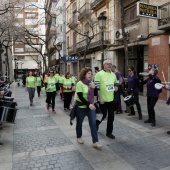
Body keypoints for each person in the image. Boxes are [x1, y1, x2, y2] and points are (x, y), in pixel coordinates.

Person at [75, 67, 102, 149]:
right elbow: (80, 97)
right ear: (84, 75)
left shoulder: (91, 83)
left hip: (90, 107)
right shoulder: (79, 83)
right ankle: (79, 137)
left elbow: (95, 95)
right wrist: (88, 104)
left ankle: (95, 142)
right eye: (88, 73)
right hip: (81, 107)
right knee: (79, 123)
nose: (90, 75)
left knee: (93, 124)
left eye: (91, 73)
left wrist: (95, 88)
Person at [94, 59, 118, 139]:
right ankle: (96, 124)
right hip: (102, 99)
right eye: (108, 64)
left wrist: (116, 86)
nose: (109, 65)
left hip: (111, 99)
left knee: (111, 116)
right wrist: (100, 98)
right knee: (102, 115)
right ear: (104, 65)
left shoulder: (113, 74)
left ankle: (109, 132)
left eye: (110, 64)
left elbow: (116, 82)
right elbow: (97, 88)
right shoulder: (99, 74)